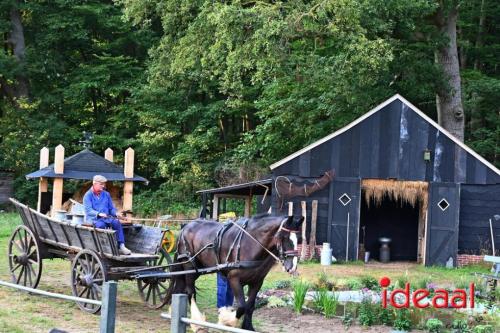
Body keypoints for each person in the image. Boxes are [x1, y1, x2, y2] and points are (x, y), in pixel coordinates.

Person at [83, 175, 131, 255]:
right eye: (101, 184)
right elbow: (88, 210)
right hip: (94, 220)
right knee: (101, 225)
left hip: (107, 218)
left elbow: (111, 208)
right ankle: (104, 247)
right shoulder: (88, 195)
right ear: (95, 184)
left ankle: (121, 246)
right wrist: (99, 214)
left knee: (116, 222)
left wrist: (116, 213)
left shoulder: (106, 194)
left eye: (104, 184)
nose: (103, 186)